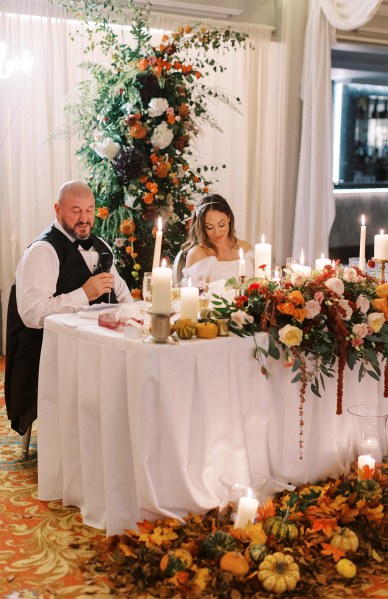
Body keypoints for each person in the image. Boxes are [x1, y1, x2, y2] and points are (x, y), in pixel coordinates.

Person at [5, 180, 133, 435]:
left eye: (89, 210)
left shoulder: (101, 247)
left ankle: (116, 436)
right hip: (47, 351)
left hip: (93, 344)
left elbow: (122, 294)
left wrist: (132, 316)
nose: (84, 218)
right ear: (58, 209)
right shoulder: (43, 251)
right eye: (76, 210)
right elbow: (32, 315)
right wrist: (84, 294)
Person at [182, 194, 255, 281]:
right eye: (210, 227)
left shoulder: (245, 248)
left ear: (228, 217)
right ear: (202, 227)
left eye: (221, 224)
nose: (217, 232)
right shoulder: (197, 254)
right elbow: (193, 292)